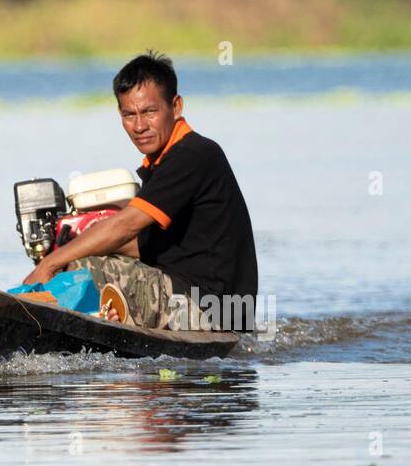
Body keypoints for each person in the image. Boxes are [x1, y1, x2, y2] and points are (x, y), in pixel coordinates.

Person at [21, 51, 257, 332]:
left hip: (212, 311)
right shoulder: (165, 160)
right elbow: (145, 243)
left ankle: (35, 320)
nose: (139, 126)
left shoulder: (192, 155)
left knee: (82, 268)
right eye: (129, 115)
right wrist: (72, 242)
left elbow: (126, 225)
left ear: (176, 106)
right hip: (213, 305)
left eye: (150, 112)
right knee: (87, 258)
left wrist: (49, 263)